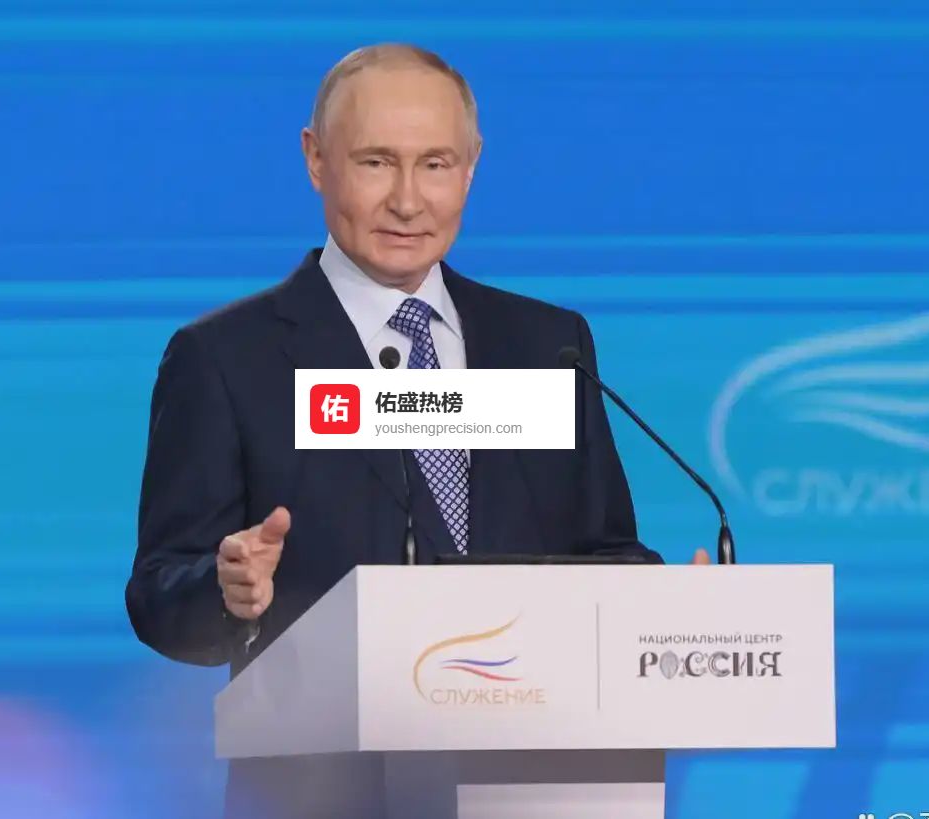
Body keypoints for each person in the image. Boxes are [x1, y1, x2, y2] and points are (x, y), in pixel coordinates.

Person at [126, 43, 709, 819]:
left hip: (535, 786)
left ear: (471, 168)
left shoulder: (547, 345)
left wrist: (663, 605)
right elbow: (159, 592)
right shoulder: (228, 359)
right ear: (316, 160)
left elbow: (600, 549)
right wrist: (227, 590)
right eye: (376, 163)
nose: (408, 201)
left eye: (435, 165)